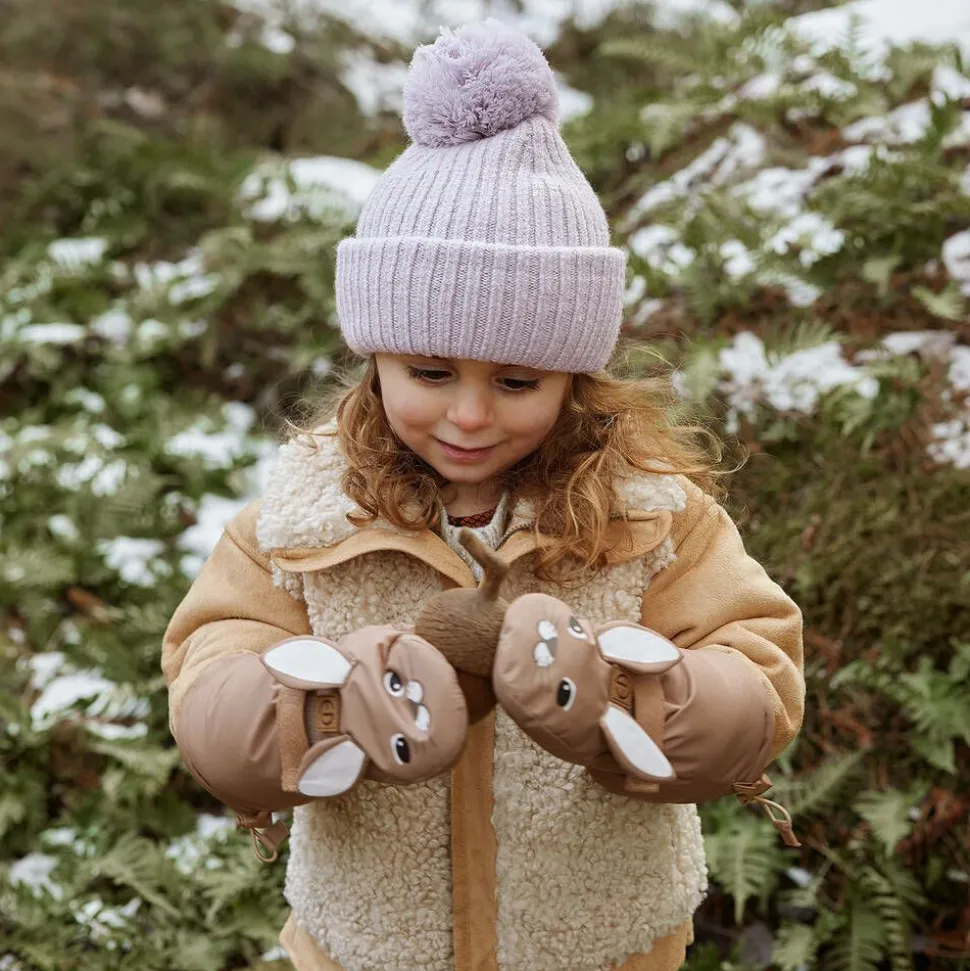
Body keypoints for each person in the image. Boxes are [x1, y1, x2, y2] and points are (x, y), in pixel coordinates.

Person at [161, 19, 804, 971]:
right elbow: (210, 699)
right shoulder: (303, 522)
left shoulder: (650, 514)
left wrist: (616, 695)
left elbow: (759, 678)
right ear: (375, 356)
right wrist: (332, 709)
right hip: (368, 952)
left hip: (603, 950)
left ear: (574, 377)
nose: (468, 414)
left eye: (516, 381)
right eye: (429, 371)